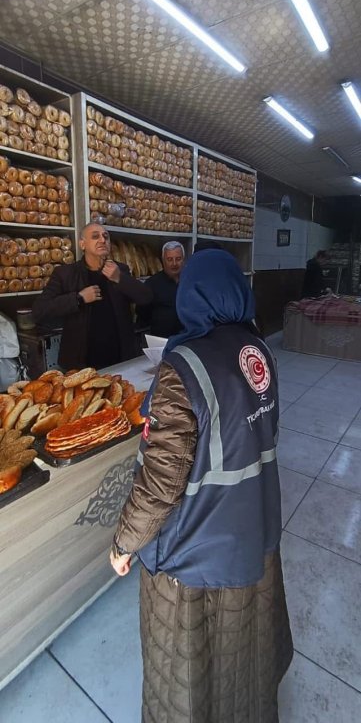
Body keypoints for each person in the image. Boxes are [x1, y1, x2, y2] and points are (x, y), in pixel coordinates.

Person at [110, 249, 293, 723]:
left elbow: (160, 480)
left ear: (193, 295)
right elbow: (261, 433)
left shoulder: (182, 366)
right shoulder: (259, 350)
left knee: (188, 666)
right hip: (253, 530)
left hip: (194, 551)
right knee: (243, 651)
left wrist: (125, 543)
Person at [32, 223, 152, 370]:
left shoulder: (120, 269)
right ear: (82, 244)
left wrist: (120, 279)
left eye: (105, 237)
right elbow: (40, 310)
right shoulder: (65, 274)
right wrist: (78, 298)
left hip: (119, 360)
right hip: (81, 363)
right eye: (95, 236)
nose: (102, 240)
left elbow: (146, 298)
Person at [136, 241, 185, 338]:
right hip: (161, 341)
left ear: (183, 259)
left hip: (187, 339)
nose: (174, 263)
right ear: (163, 260)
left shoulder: (191, 282)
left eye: (178, 259)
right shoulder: (152, 284)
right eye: (170, 259)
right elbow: (142, 314)